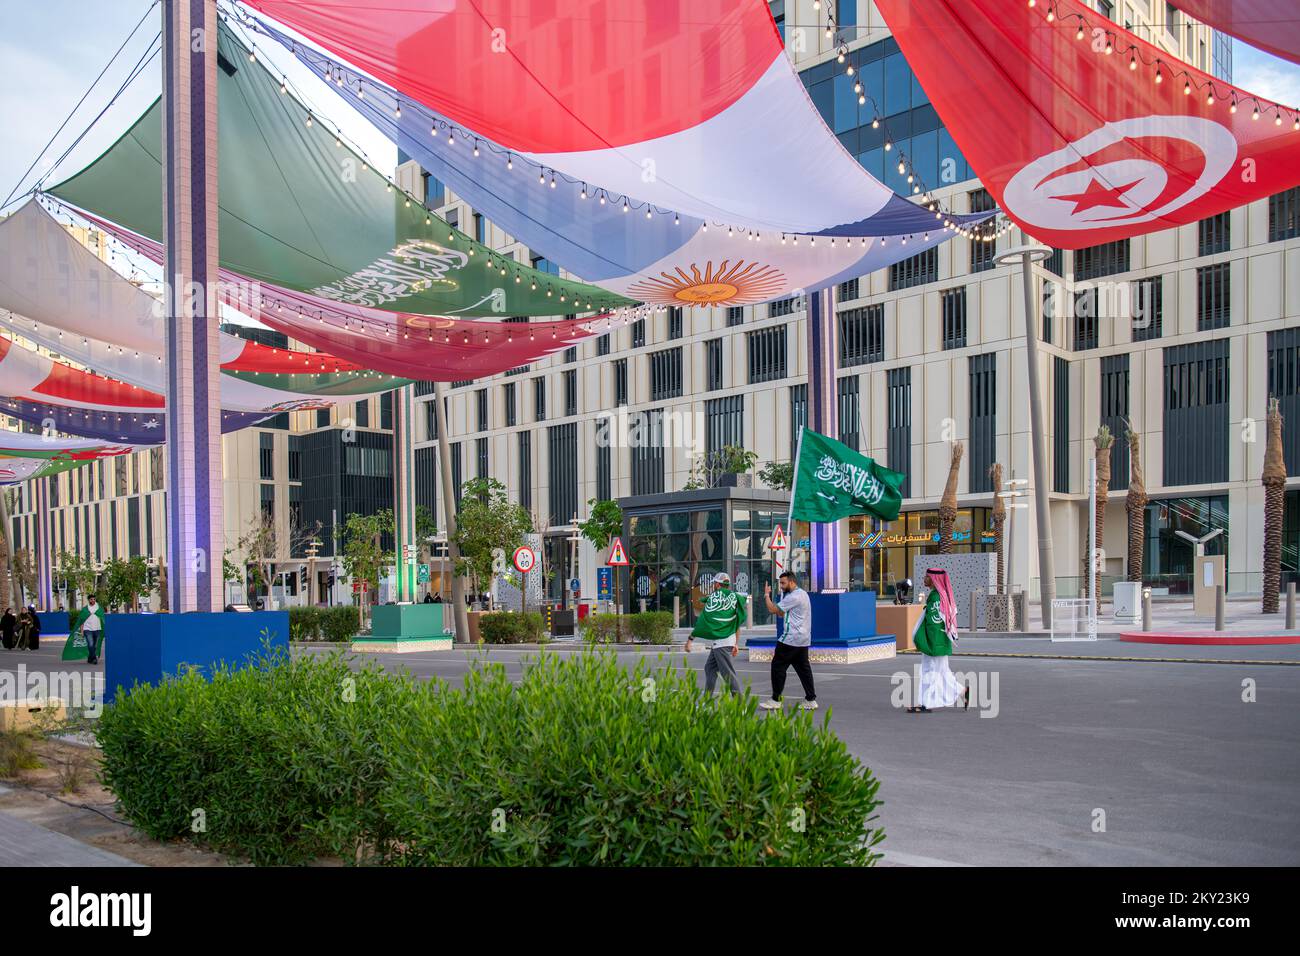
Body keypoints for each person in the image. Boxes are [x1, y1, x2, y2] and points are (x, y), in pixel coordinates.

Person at [908, 568, 969, 713]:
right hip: (941, 642)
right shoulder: (942, 595)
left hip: (935, 643)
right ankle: (963, 691)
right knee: (943, 672)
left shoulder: (936, 598)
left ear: (934, 580)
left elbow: (932, 624)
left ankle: (925, 704)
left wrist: (927, 642)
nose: (924, 579)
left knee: (930, 672)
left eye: (927, 577)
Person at [759, 571, 817, 710]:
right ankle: (811, 699)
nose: (781, 586)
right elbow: (781, 613)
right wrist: (780, 605)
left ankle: (775, 700)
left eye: (783, 583)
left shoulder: (794, 596)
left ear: (792, 582)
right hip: (803, 639)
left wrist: (766, 595)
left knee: (778, 667)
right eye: (780, 583)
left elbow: (773, 609)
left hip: (790, 638)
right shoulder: (802, 594)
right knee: (803, 669)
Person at [683, 572, 745, 695]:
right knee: (710, 668)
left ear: (717, 584)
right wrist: (736, 643)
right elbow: (736, 623)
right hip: (726, 641)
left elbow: (702, 622)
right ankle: (707, 701)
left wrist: (690, 640)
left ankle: (740, 706)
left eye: (713, 584)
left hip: (721, 643)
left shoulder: (714, 598)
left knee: (728, 675)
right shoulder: (733, 598)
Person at [73, 594, 107, 665]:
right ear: (89, 600)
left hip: (97, 629)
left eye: (94, 599)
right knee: (90, 644)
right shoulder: (85, 609)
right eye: (91, 599)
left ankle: (90, 658)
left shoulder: (99, 608)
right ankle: (94, 658)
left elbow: (103, 619)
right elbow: (81, 620)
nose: (93, 600)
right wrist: (82, 631)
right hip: (87, 629)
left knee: (94, 646)